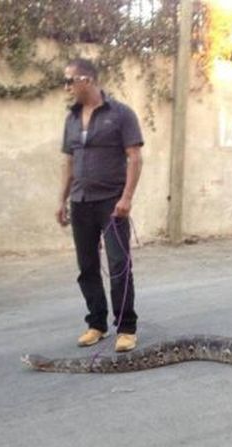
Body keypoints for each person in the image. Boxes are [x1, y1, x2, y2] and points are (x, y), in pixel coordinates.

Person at [57, 58, 143, 352]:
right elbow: (69, 162)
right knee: (87, 267)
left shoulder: (120, 114)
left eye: (70, 80)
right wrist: (61, 200)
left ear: (88, 80)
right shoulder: (71, 118)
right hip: (80, 201)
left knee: (119, 265)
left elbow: (135, 157)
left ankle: (126, 328)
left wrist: (127, 197)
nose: (66, 87)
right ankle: (96, 324)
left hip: (111, 203)